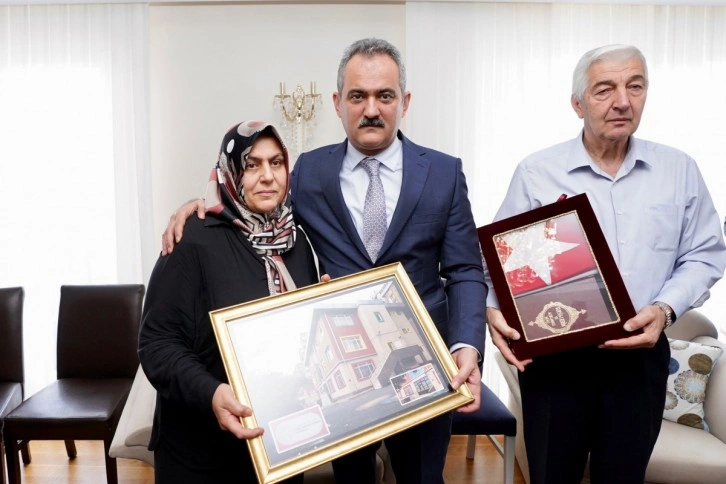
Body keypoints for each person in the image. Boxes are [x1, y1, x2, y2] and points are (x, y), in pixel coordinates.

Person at [162, 38, 486, 484]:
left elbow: (466, 269)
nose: (371, 108)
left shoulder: (445, 173)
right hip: (342, 379)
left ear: (404, 102)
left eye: (384, 95)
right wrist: (198, 205)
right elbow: (254, 203)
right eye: (358, 96)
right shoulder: (309, 172)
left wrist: (466, 345)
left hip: (426, 372)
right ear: (337, 103)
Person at [486, 44, 726, 484]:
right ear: (577, 104)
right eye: (604, 89)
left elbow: (706, 254)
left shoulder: (679, 170)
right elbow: (503, 262)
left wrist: (666, 310)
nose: (623, 101)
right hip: (557, 365)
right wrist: (492, 309)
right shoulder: (537, 172)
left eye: (635, 86)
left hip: (641, 361)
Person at [139, 121, 319, 483]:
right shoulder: (192, 239)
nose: (267, 176)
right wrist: (212, 393)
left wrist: (319, 310)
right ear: (230, 171)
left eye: (277, 163)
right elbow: (156, 344)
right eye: (252, 165)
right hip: (201, 451)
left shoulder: (297, 242)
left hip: (277, 445)